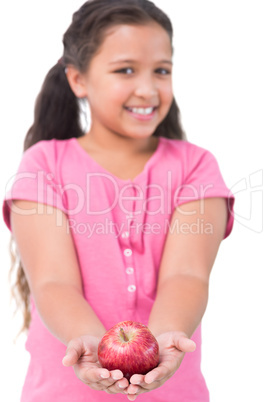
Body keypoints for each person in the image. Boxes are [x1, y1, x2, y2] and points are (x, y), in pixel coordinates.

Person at [3, 0, 235, 401]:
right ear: (78, 79)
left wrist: (166, 338)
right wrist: (88, 341)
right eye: (125, 70)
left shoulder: (196, 166)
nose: (147, 88)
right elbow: (54, 281)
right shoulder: (44, 165)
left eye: (161, 70)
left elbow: (188, 275)